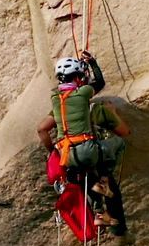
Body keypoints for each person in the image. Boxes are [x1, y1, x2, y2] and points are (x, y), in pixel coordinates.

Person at [37, 52, 130, 232]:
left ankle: (97, 210)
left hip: (68, 157)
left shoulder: (56, 100)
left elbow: (41, 129)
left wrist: (53, 152)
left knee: (89, 184)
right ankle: (105, 178)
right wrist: (92, 64)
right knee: (118, 145)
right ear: (79, 78)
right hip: (88, 152)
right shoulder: (85, 95)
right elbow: (99, 83)